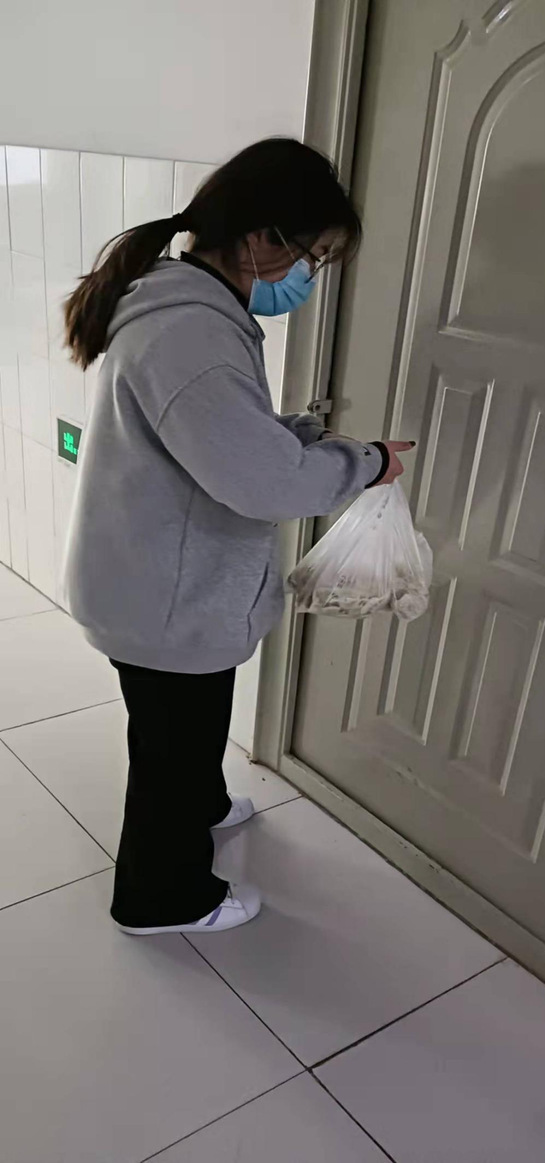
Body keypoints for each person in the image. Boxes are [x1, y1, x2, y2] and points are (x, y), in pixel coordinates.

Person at [63, 137, 413, 937]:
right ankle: (160, 898)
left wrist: (292, 436)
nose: (307, 277)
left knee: (182, 729)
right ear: (262, 238)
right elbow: (263, 484)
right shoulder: (192, 336)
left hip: (153, 575)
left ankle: (205, 802)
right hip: (165, 595)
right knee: (170, 748)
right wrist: (365, 463)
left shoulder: (184, 306)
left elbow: (214, 439)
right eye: (311, 257)